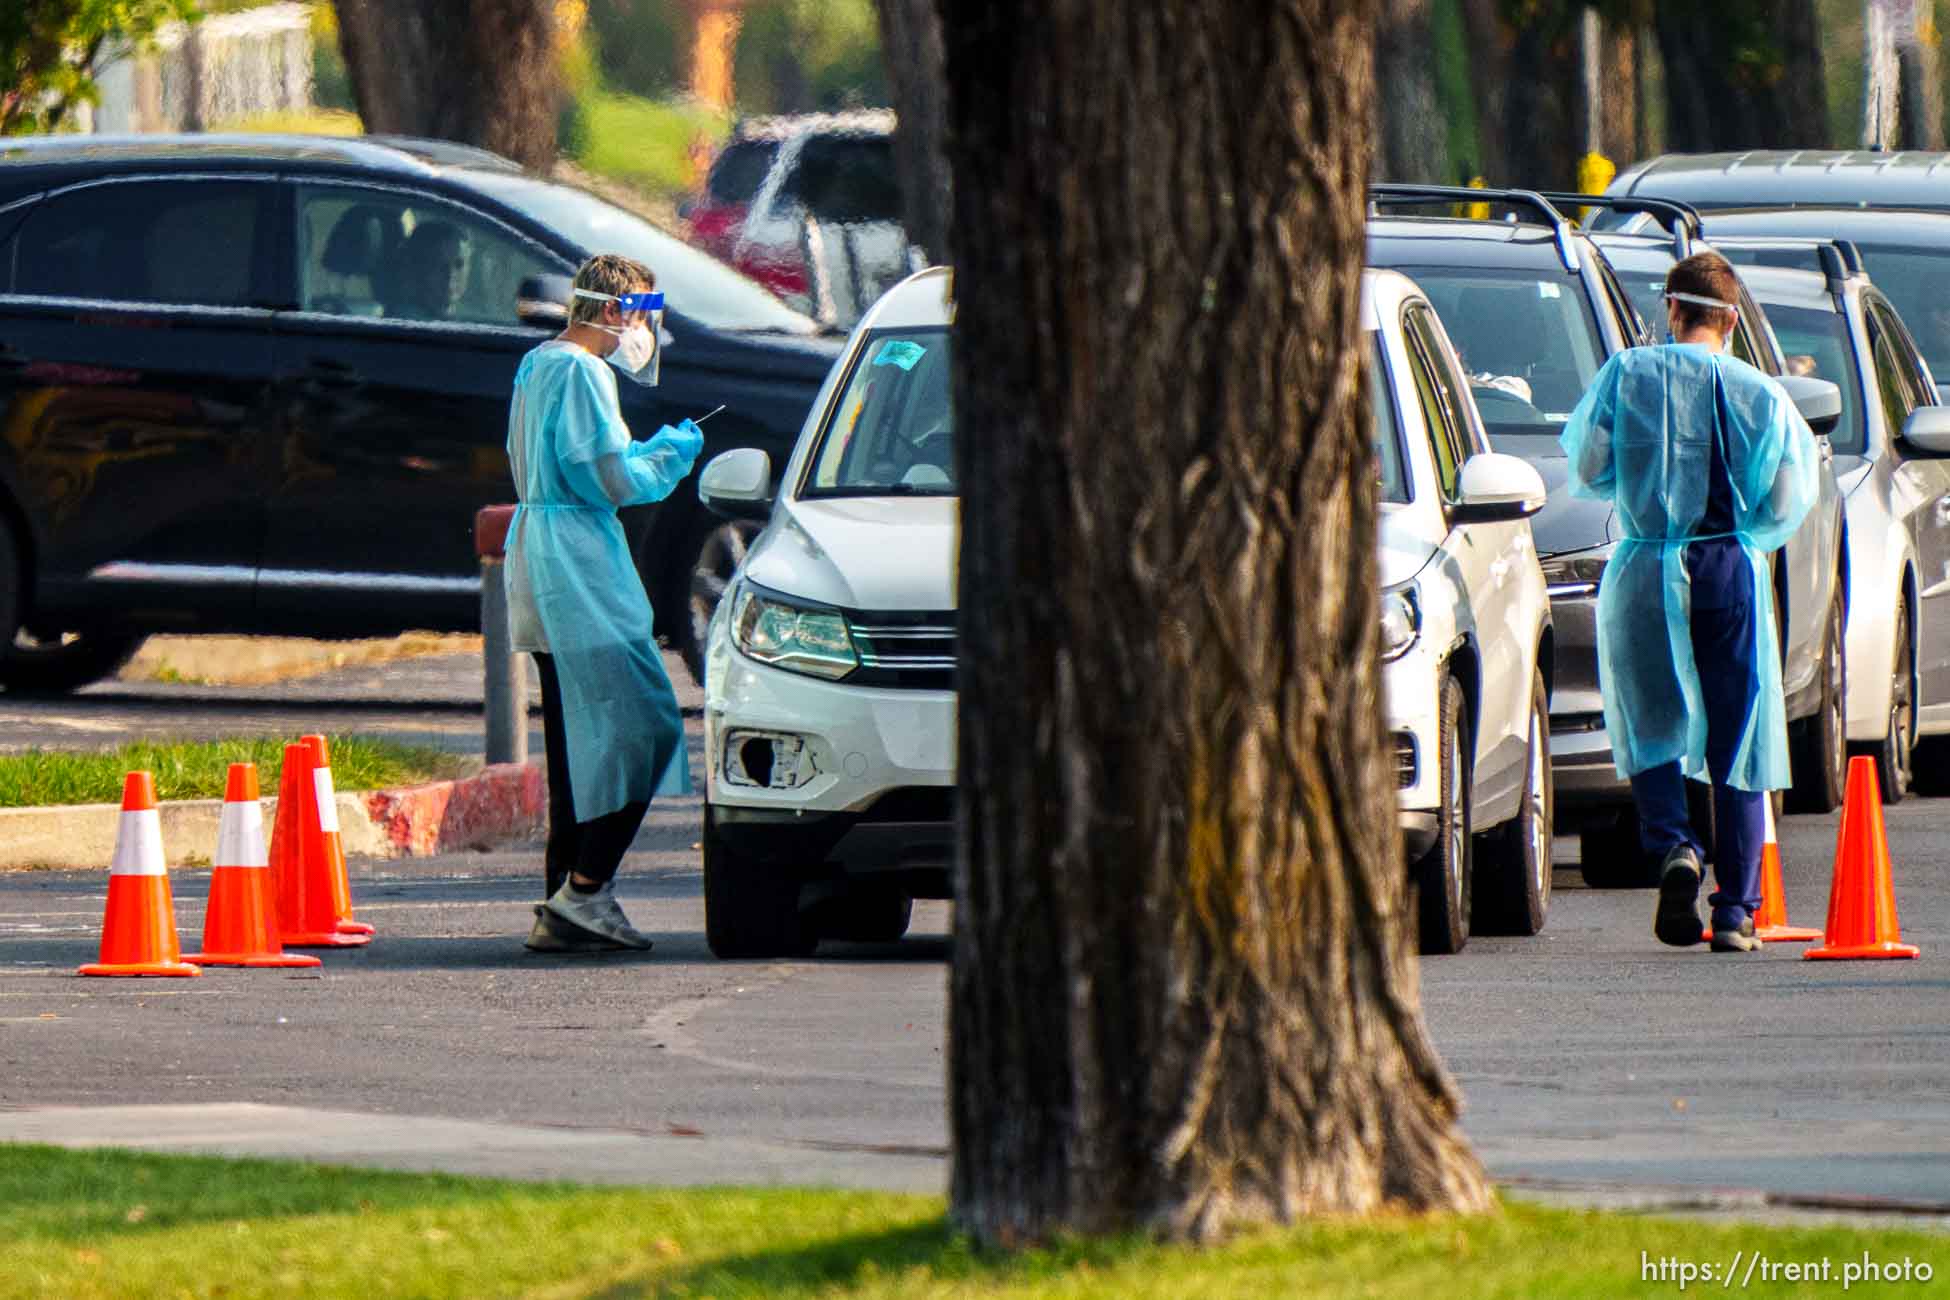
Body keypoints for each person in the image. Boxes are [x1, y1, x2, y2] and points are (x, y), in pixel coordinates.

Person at [1560, 251, 1820, 953]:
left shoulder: (1627, 375)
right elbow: (1786, 498)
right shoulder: (1758, 393)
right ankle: (1736, 909)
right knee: (1736, 731)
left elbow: (1588, 464)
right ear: (1731, 320)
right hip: (1725, 564)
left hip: (1644, 568)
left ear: (1670, 311)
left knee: (1649, 720)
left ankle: (1673, 842)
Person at [505, 253, 704, 952]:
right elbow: (609, 477)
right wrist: (670, 457)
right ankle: (586, 890)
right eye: (648, 315)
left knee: (572, 742)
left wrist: (637, 455)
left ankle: (564, 900)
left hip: (540, 554)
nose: (651, 333)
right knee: (645, 724)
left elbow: (572, 460)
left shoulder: (539, 363)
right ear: (619, 311)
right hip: (579, 567)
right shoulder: (585, 371)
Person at [386, 221, 470, 319]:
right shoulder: (407, 320)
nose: (450, 274)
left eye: (458, 264)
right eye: (438, 264)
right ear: (417, 269)